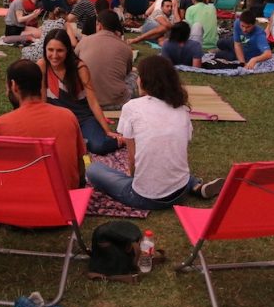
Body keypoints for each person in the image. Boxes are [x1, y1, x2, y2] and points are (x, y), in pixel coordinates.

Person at [85, 56, 223, 209]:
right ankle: (195, 185)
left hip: (145, 198)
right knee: (166, 160)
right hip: (180, 191)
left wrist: (133, 178)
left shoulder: (132, 107)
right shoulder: (181, 109)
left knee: (93, 169)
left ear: (144, 81)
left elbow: (132, 158)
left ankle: (188, 184)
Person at [0, 59, 87, 189]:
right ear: (40, 84)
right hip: (66, 200)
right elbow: (80, 164)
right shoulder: (68, 116)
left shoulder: (0, 125)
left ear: (14, 86)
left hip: (22, 203)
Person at [37, 29, 121, 155]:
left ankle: (122, 141)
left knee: (98, 146)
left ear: (67, 51)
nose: (54, 55)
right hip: (58, 120)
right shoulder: (42, 65)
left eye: (60, 50)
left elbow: (93, 102)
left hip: (83, 119)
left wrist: (107, 131)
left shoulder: (79, 67)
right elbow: (42, 100)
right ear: (45, 50)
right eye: (50, 50)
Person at [75, 10, 135, 110]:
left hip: (86, 100)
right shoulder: (125, 47)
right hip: (117, 102)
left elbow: (74, 62)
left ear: (99, 25)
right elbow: (127, 72)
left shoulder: (84, 41)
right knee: (134, 73)